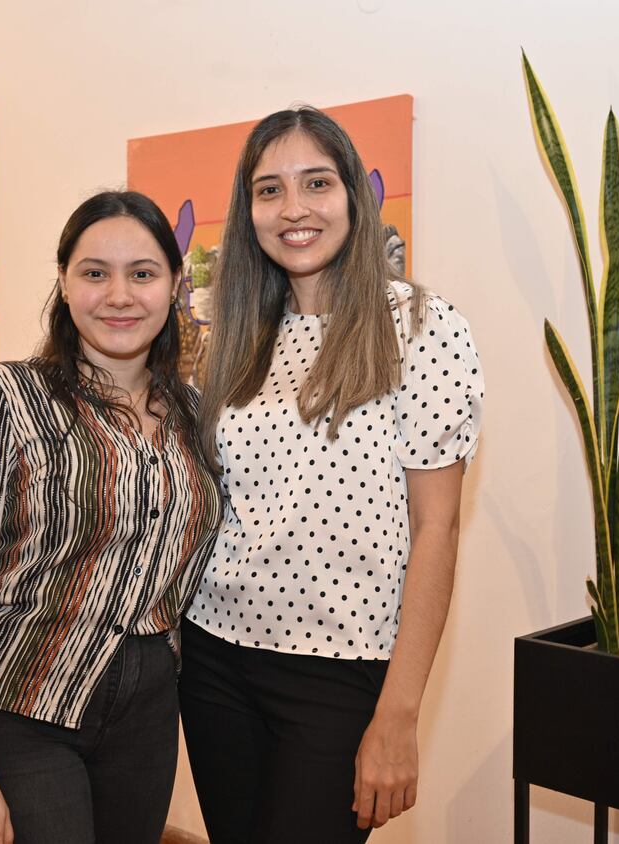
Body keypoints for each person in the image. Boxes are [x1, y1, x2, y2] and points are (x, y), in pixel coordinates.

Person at [178, 107, 484, 844]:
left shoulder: (418, 325)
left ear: (352, 195)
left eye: (316, 183)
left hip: (342, 671)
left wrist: (399, 716)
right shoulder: (234, 338)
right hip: (214, 656)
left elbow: (435, 530)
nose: (294, 209)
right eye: (269, 190)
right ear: (248, 212)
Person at [0, 190, 222, 844]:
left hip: (149, 714)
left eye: (142, 273)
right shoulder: (4, 398)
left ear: (173, 285)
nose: (119, 295)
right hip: (26, 708)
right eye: (95, 272)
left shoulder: (195, 416)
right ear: (64, 283)